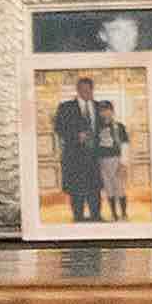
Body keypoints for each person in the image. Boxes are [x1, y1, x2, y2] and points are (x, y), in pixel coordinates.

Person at [50, 78, 118, 221]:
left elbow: (109, 127)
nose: (85, 92)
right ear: (77, 90)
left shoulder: (100, 106)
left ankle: (96, 216)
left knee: (95, 189)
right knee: (76, 190)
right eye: (82, 90)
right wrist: (75, 136)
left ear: (92, 90)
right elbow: (58, 128)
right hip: (74, 156)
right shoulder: (66, 107)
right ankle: (78, 217)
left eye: (88, 90)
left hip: (95, 157)